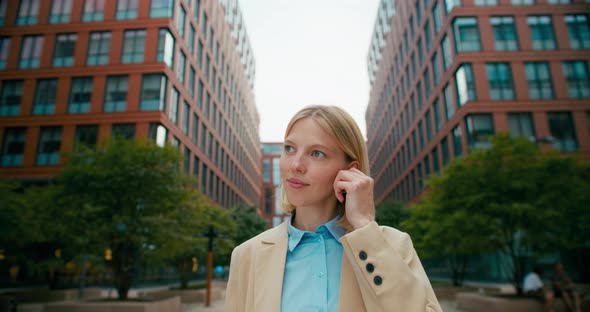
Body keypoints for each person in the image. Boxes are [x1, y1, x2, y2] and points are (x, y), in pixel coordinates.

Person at [226, 105, 442, 312]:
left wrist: (365, 227)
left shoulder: (393, 245)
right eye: (290, 149)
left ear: (350, 171)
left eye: (317, 153)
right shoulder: (247, 255)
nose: (295, 165)